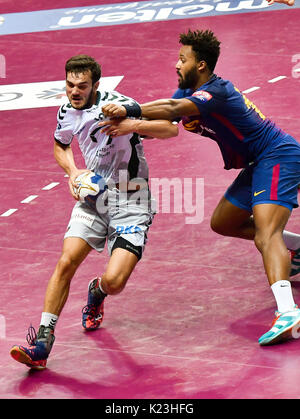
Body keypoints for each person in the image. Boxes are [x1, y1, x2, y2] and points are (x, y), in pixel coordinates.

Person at [100, 30, 300, 346]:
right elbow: (166, 126)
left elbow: (168, 109)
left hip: (278, 156)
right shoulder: (187, 88)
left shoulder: (214, 91)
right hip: (258, 163)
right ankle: (297, 250)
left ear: (202, 64)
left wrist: (129, 110)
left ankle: (289, 313)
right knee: (223, 222)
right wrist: (133, 126)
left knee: (266, 234)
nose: (176, 64)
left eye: (183, 59)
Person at [10, 55, 178, 370]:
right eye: (70, 85)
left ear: (96, 85)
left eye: (82, 86)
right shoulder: (66, 112)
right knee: (66, 261)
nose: (74, 91)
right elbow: (60, 145)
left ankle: (97, 291)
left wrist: (132, 124)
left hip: (132, 202)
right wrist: (73, 172)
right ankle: (43, 342)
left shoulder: (120, 105)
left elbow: (170, 130)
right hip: (94, 198)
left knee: (115, 281)